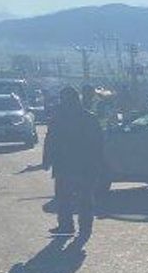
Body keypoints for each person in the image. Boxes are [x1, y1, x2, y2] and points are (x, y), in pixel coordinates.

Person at [41, 86, 103, 235]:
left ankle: (68, 226)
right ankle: (84, 228)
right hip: (83, 165)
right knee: (83, 198)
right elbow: (98, 143)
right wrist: (97, 163)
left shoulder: (59, 118)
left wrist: (47, 160)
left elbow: (50, 140)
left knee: (66, 198)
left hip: (67, 165)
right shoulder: (88, 117)